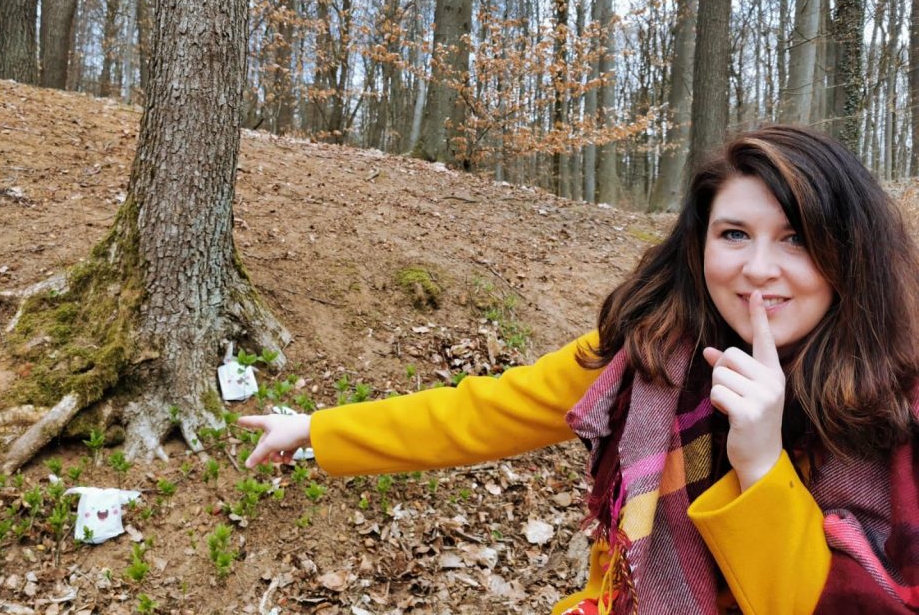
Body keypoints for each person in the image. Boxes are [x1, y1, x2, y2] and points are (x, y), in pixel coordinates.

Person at [238, 125, 919, 615]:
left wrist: (762, 462)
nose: (758, 269)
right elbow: (484, 412)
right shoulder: (648, 352)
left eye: (795, 238)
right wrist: (316, 430)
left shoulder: (897, 405)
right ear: (700, 241)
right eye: (734, 234)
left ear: (848, 252)